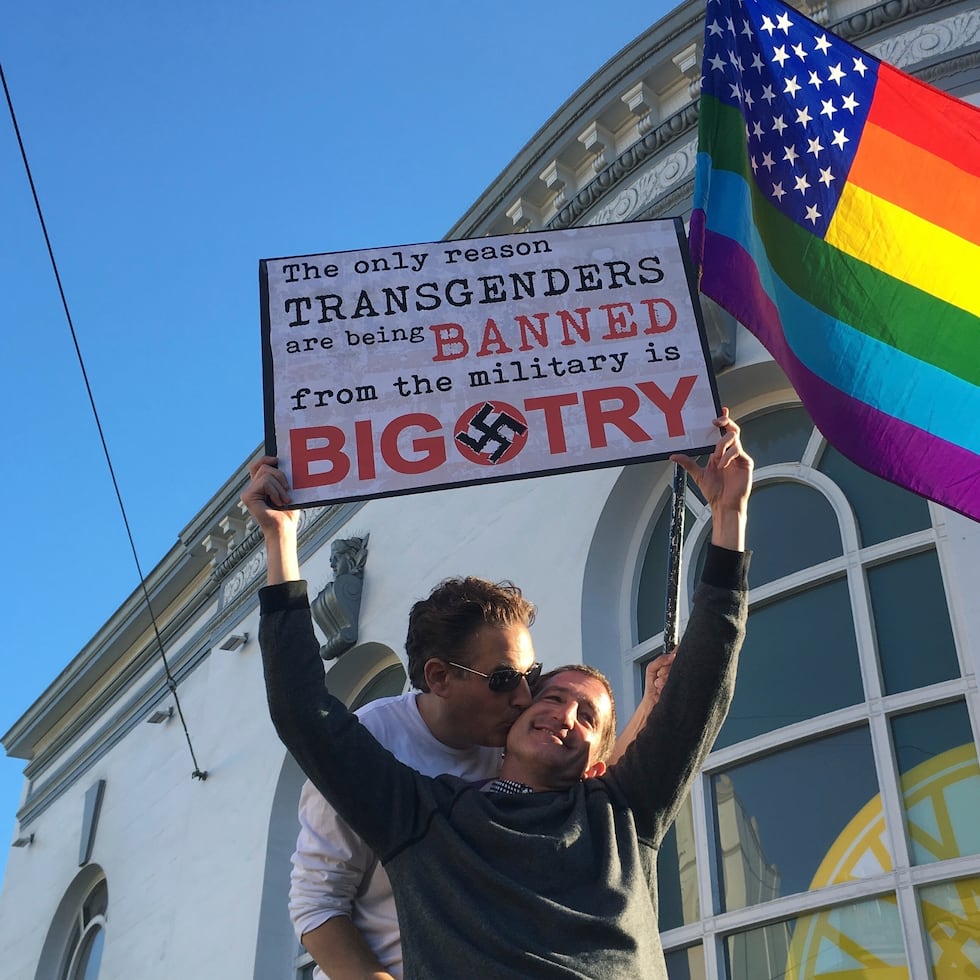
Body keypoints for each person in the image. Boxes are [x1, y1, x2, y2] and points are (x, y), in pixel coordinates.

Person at [254, 410, 752, 978]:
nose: (558, 711)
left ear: (596, 764)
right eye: (548, 696)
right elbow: (305, 713)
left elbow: (702, 689)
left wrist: (728, 518)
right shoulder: (426, 814)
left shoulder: (620, 817)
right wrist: (281, 540)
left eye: (587, 717)